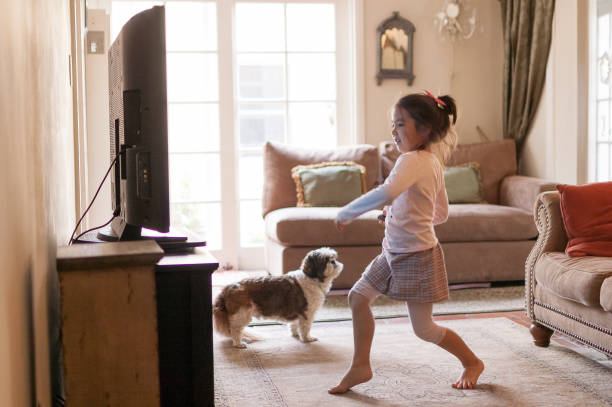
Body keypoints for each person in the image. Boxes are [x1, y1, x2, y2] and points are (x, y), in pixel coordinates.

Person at [328, 92, 484, 394]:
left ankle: (472, 362)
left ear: (424, 130)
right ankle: (361, 365)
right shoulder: (432, 162)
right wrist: (395, 215)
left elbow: (389, 191)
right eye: (393, 124)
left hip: (417, 257)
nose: (393, 131)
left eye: (400, 124)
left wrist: (348, 212)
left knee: (424, 329)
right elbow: (439, 212)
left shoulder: (411, 161)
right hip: (392, 253)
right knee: (358, 298)